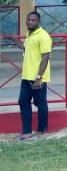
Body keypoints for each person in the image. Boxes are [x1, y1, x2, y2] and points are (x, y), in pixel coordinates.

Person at [15, 12, 50, 140]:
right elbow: (26, 48)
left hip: (38, 78)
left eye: (33, 20)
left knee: (41, 104)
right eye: (28, 19)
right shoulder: (29, 35)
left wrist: (39, 78)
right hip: (26, 76)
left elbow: (45, 57)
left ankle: (41, 130)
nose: (30, 22)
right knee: (23, 101)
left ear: (38, 22)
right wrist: (14, 39)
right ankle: (27, 131)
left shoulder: (43, 36)